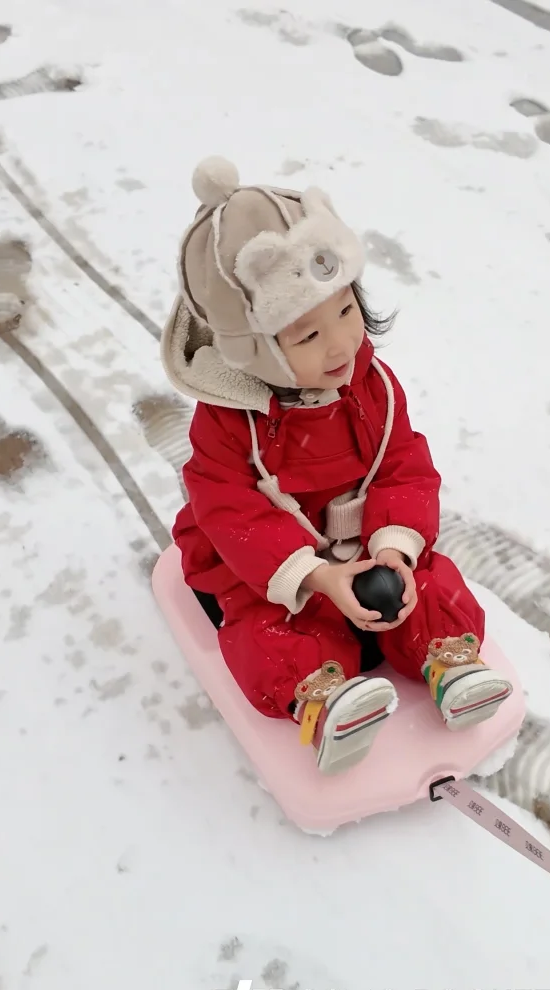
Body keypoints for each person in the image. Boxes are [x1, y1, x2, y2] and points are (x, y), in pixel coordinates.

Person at [160, 156, 513, 775]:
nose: (340, 345)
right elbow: (230, 512)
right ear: (253, 352)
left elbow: (403, 463)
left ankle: (448, 659)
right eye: (304, 336)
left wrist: (395, 550)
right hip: (276, 567)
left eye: (346, 311)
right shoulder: (228, 424)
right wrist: (317, 578)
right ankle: (322, 697)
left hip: (365, 545)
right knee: (265, 628)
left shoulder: (369, 384)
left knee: (428, 584)